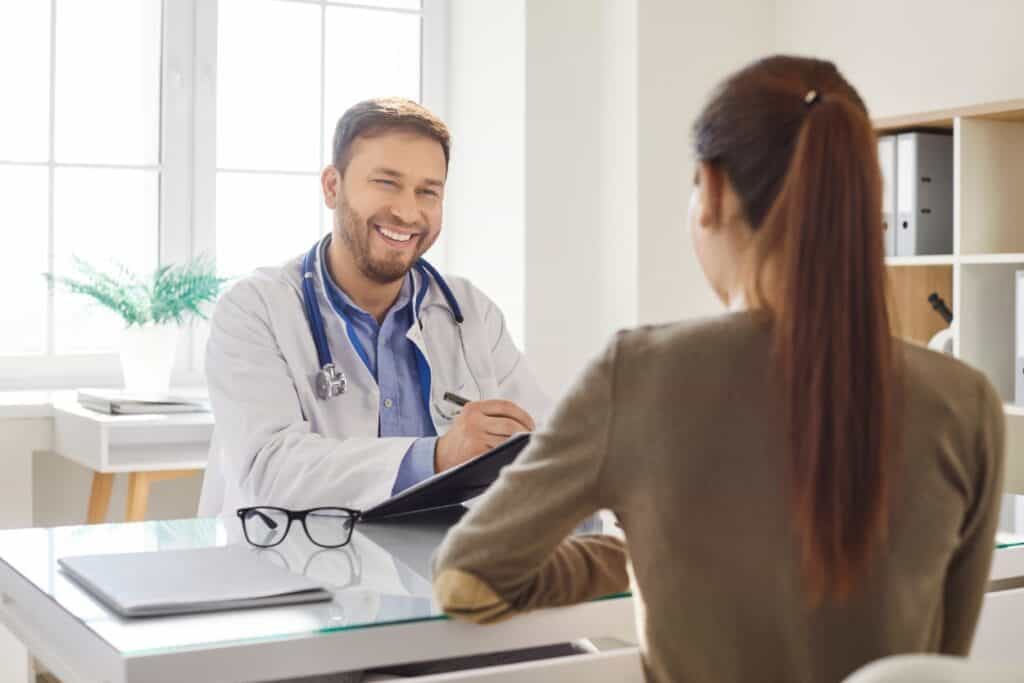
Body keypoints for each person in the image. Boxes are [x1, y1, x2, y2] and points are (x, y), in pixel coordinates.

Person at [432, 55, 1006, 683]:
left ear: (712, 191)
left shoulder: (642, 373)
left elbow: (469, 578)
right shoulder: (967, 401)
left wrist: (638, 552)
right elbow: (938, 664)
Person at [198, 97, 549, 517]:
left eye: (428, 192)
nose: (406, 211)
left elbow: (543, 446)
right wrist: (436, 457)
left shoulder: (471, 312)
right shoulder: (255, 309)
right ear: (333, 187)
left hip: (437, 571)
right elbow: (269, 469)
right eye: (386, 183)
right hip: (291, 573)